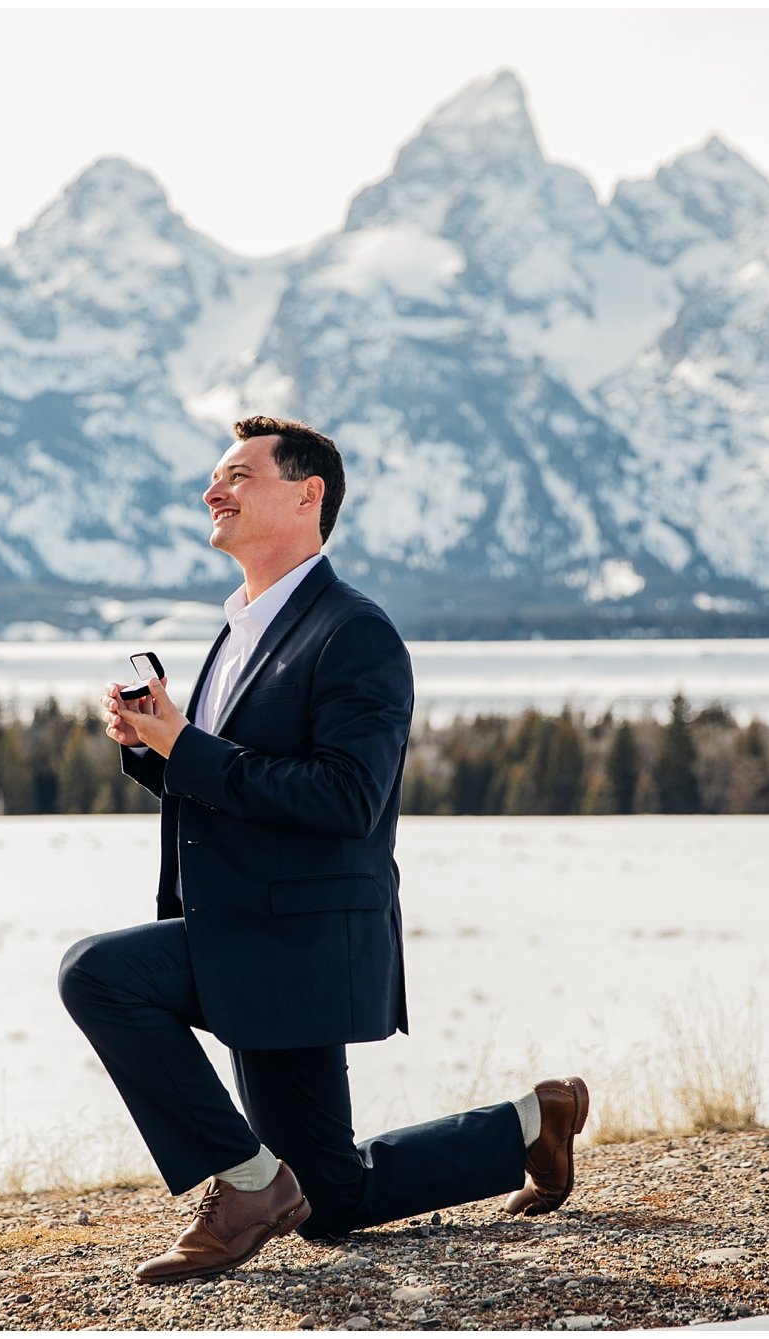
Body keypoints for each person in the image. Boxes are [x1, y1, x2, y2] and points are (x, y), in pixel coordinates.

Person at [59, 415, 589, 1284]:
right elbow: (240, 784)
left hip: (293, 943)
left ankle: (246, 1181)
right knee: (332, 1198)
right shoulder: (238, 629)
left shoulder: (356, 633)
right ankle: (531, 1123)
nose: (212, 491)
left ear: (308, 497)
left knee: (97, 972)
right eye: (214, 477)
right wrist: (157, 748)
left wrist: (188, 749)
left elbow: (346, 798)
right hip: (243, 928)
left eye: (238, 474)